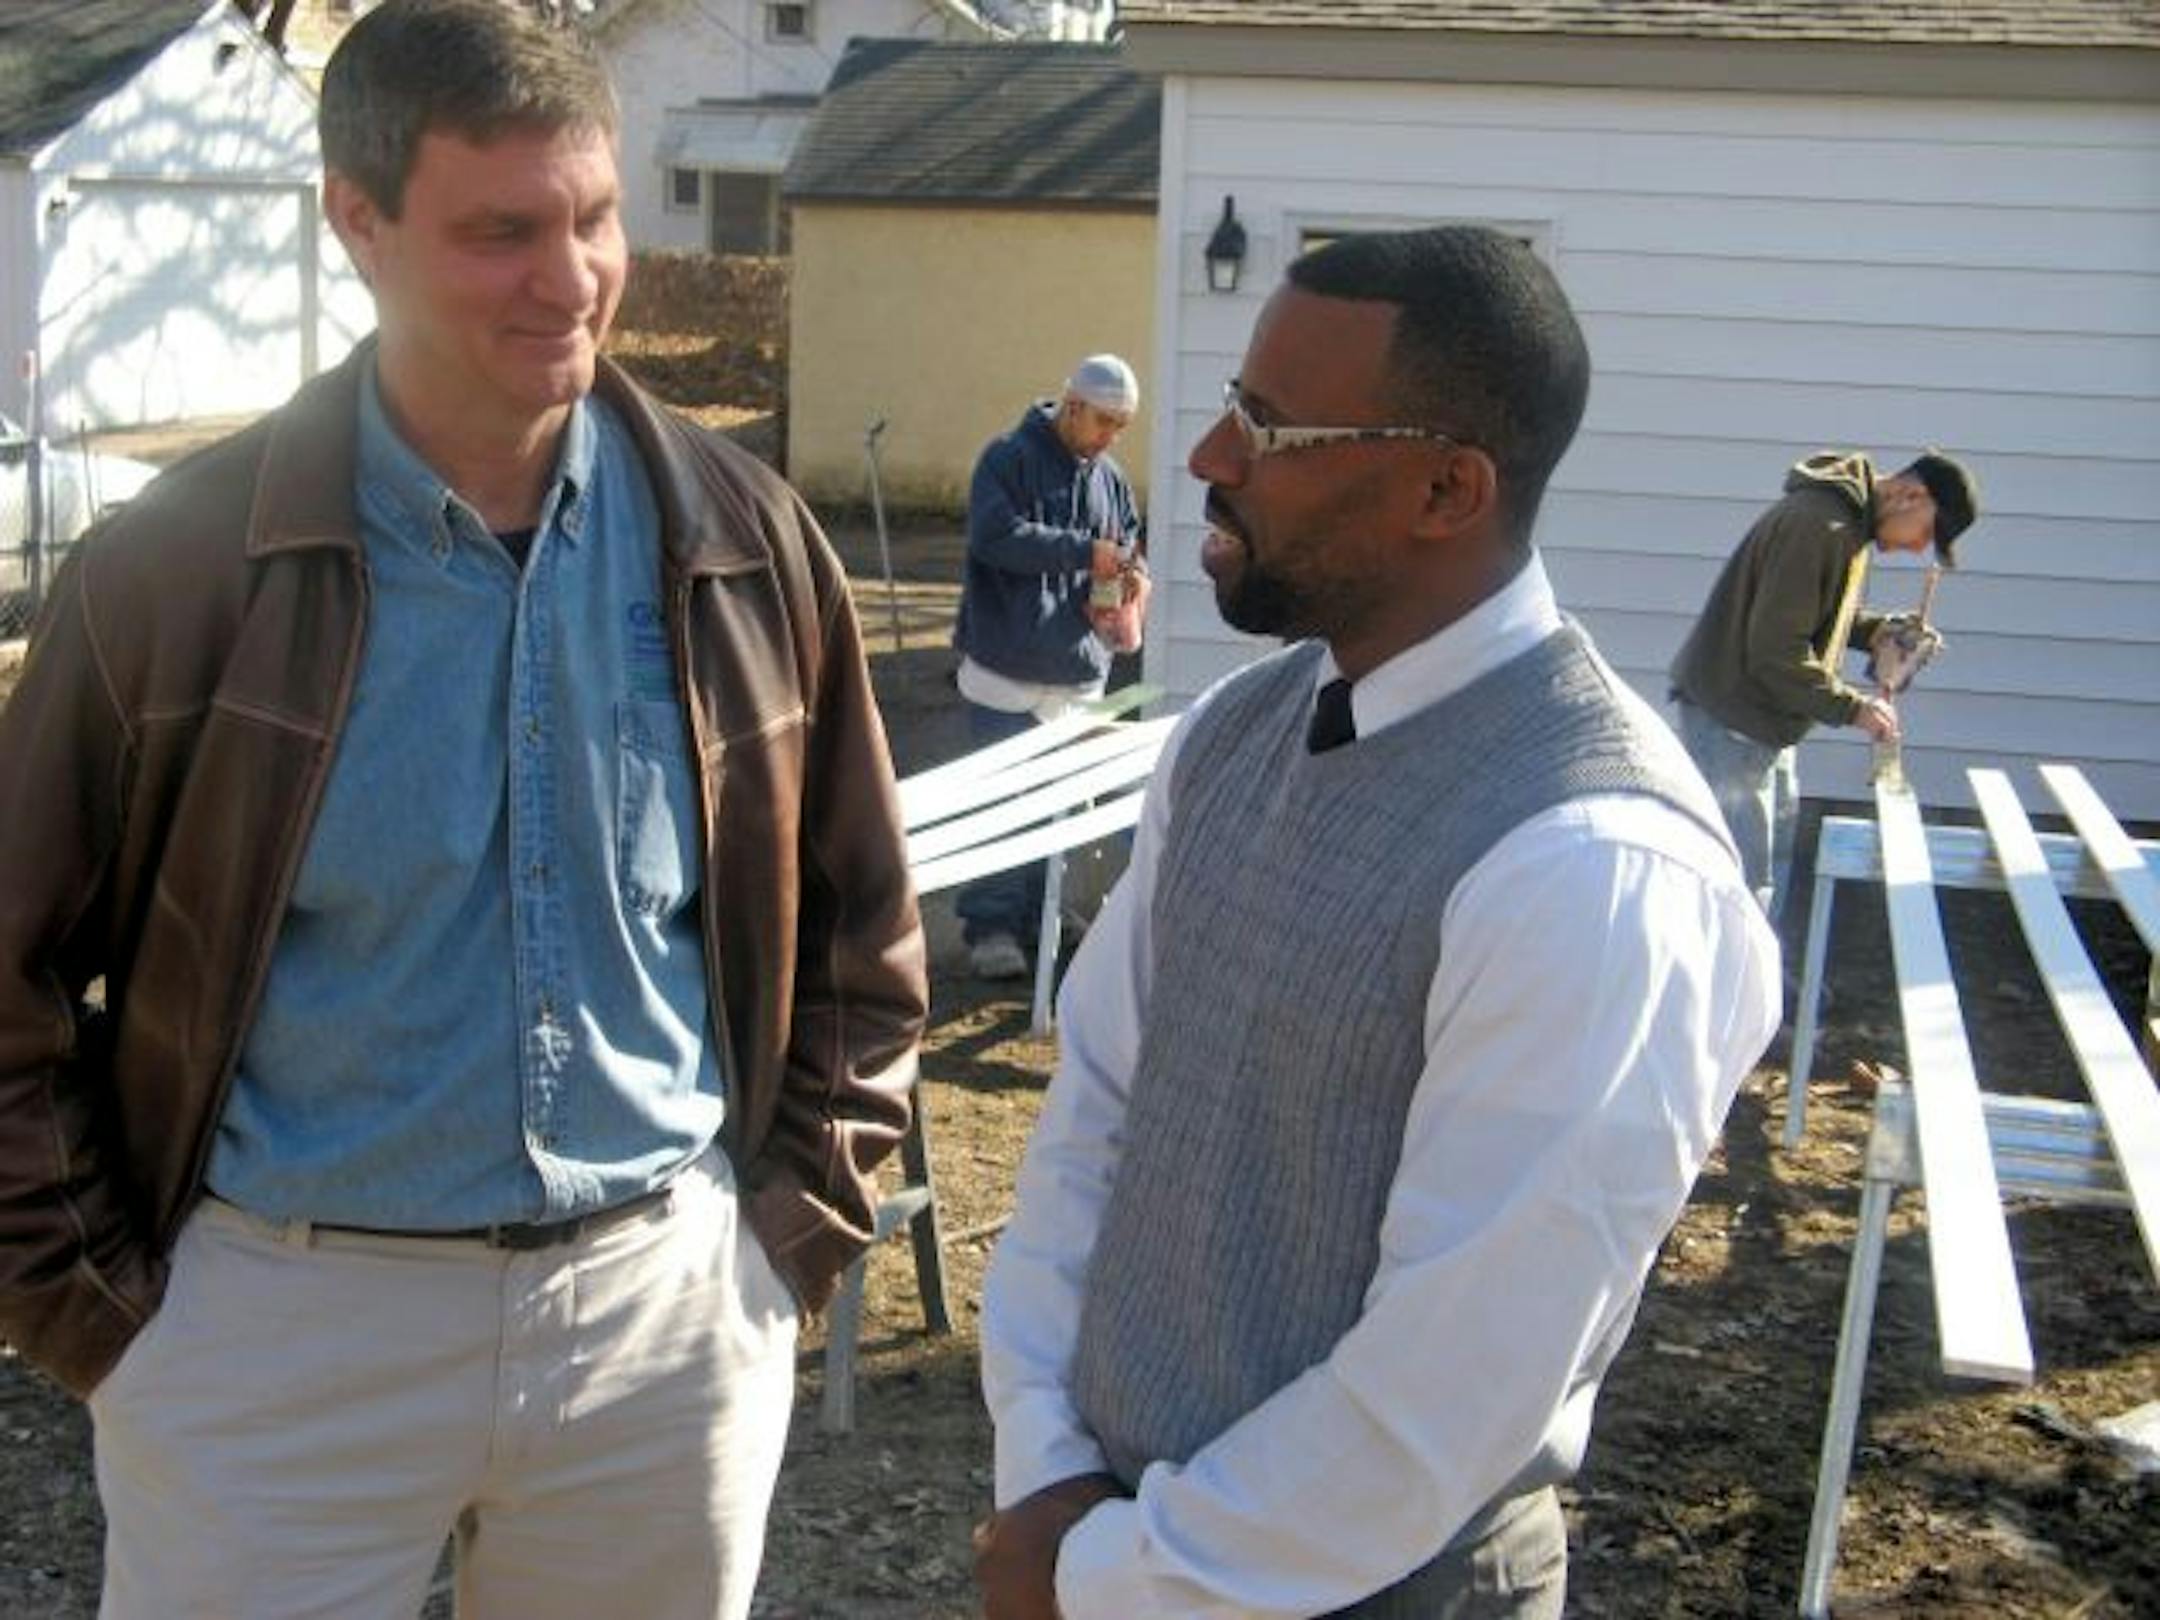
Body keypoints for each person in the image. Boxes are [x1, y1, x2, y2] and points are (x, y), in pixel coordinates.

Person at [0, 4, 926, 1617]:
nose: (568, 280)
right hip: (278, 1341)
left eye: (593, 218)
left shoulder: (742, 539)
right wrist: (97, 1311)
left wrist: (786, 1236)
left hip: (666, 1318)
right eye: (500, 233)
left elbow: (861, 927)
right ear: (355, 221)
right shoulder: (176, 569)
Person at [974, 226, 1781, 1619]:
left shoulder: (1593, 867)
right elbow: (1095, 1115)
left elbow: (1440, 1400)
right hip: (1106, 1535)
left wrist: (1100, 1575)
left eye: (1271, 426)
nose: (1210, 456)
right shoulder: (1234, 733)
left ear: (1446, 488)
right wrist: (1044, 1464)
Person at [1669, 448, 1978, 919]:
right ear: (1911, 495)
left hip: (1762, 721)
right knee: (1734, 883)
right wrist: (1855, 709)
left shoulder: (1844, 526)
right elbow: (1774, 650)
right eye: (1927, 535)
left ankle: (1761, 981)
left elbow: (1811, 612)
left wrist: (1877, 631)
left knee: (1769, 869)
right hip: (1732, 720)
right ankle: (1727, 988)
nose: (1919, 549)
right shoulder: (1820, 527)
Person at [952, 354, 1148, 979]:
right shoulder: (1006, 458)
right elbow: (994, 537)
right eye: (1106, 421)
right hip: (1007, 665)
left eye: (1122, 425)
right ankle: (990, 927)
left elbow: (1125, 543)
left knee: (1058, 808)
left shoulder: (1110, 477)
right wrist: (1083, 553)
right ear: (1072, 406)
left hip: (1075, 667)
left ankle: (1045, 916)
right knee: (1001, 804)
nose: (1113, 435)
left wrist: (1129, 577)